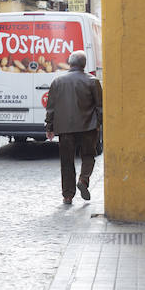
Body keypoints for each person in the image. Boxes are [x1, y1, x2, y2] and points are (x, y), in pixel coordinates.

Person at [44, 50, 103, 205]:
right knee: (88, 156)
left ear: (70, 63)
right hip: (88, 127)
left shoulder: (57, 82)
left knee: (66, 161)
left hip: (65, 129)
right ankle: (83, 180)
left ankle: (68, 195)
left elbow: (51, 108)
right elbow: (100, 107)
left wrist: (49, 126)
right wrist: (100, 124)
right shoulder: (93, 81)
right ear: (84, 65)